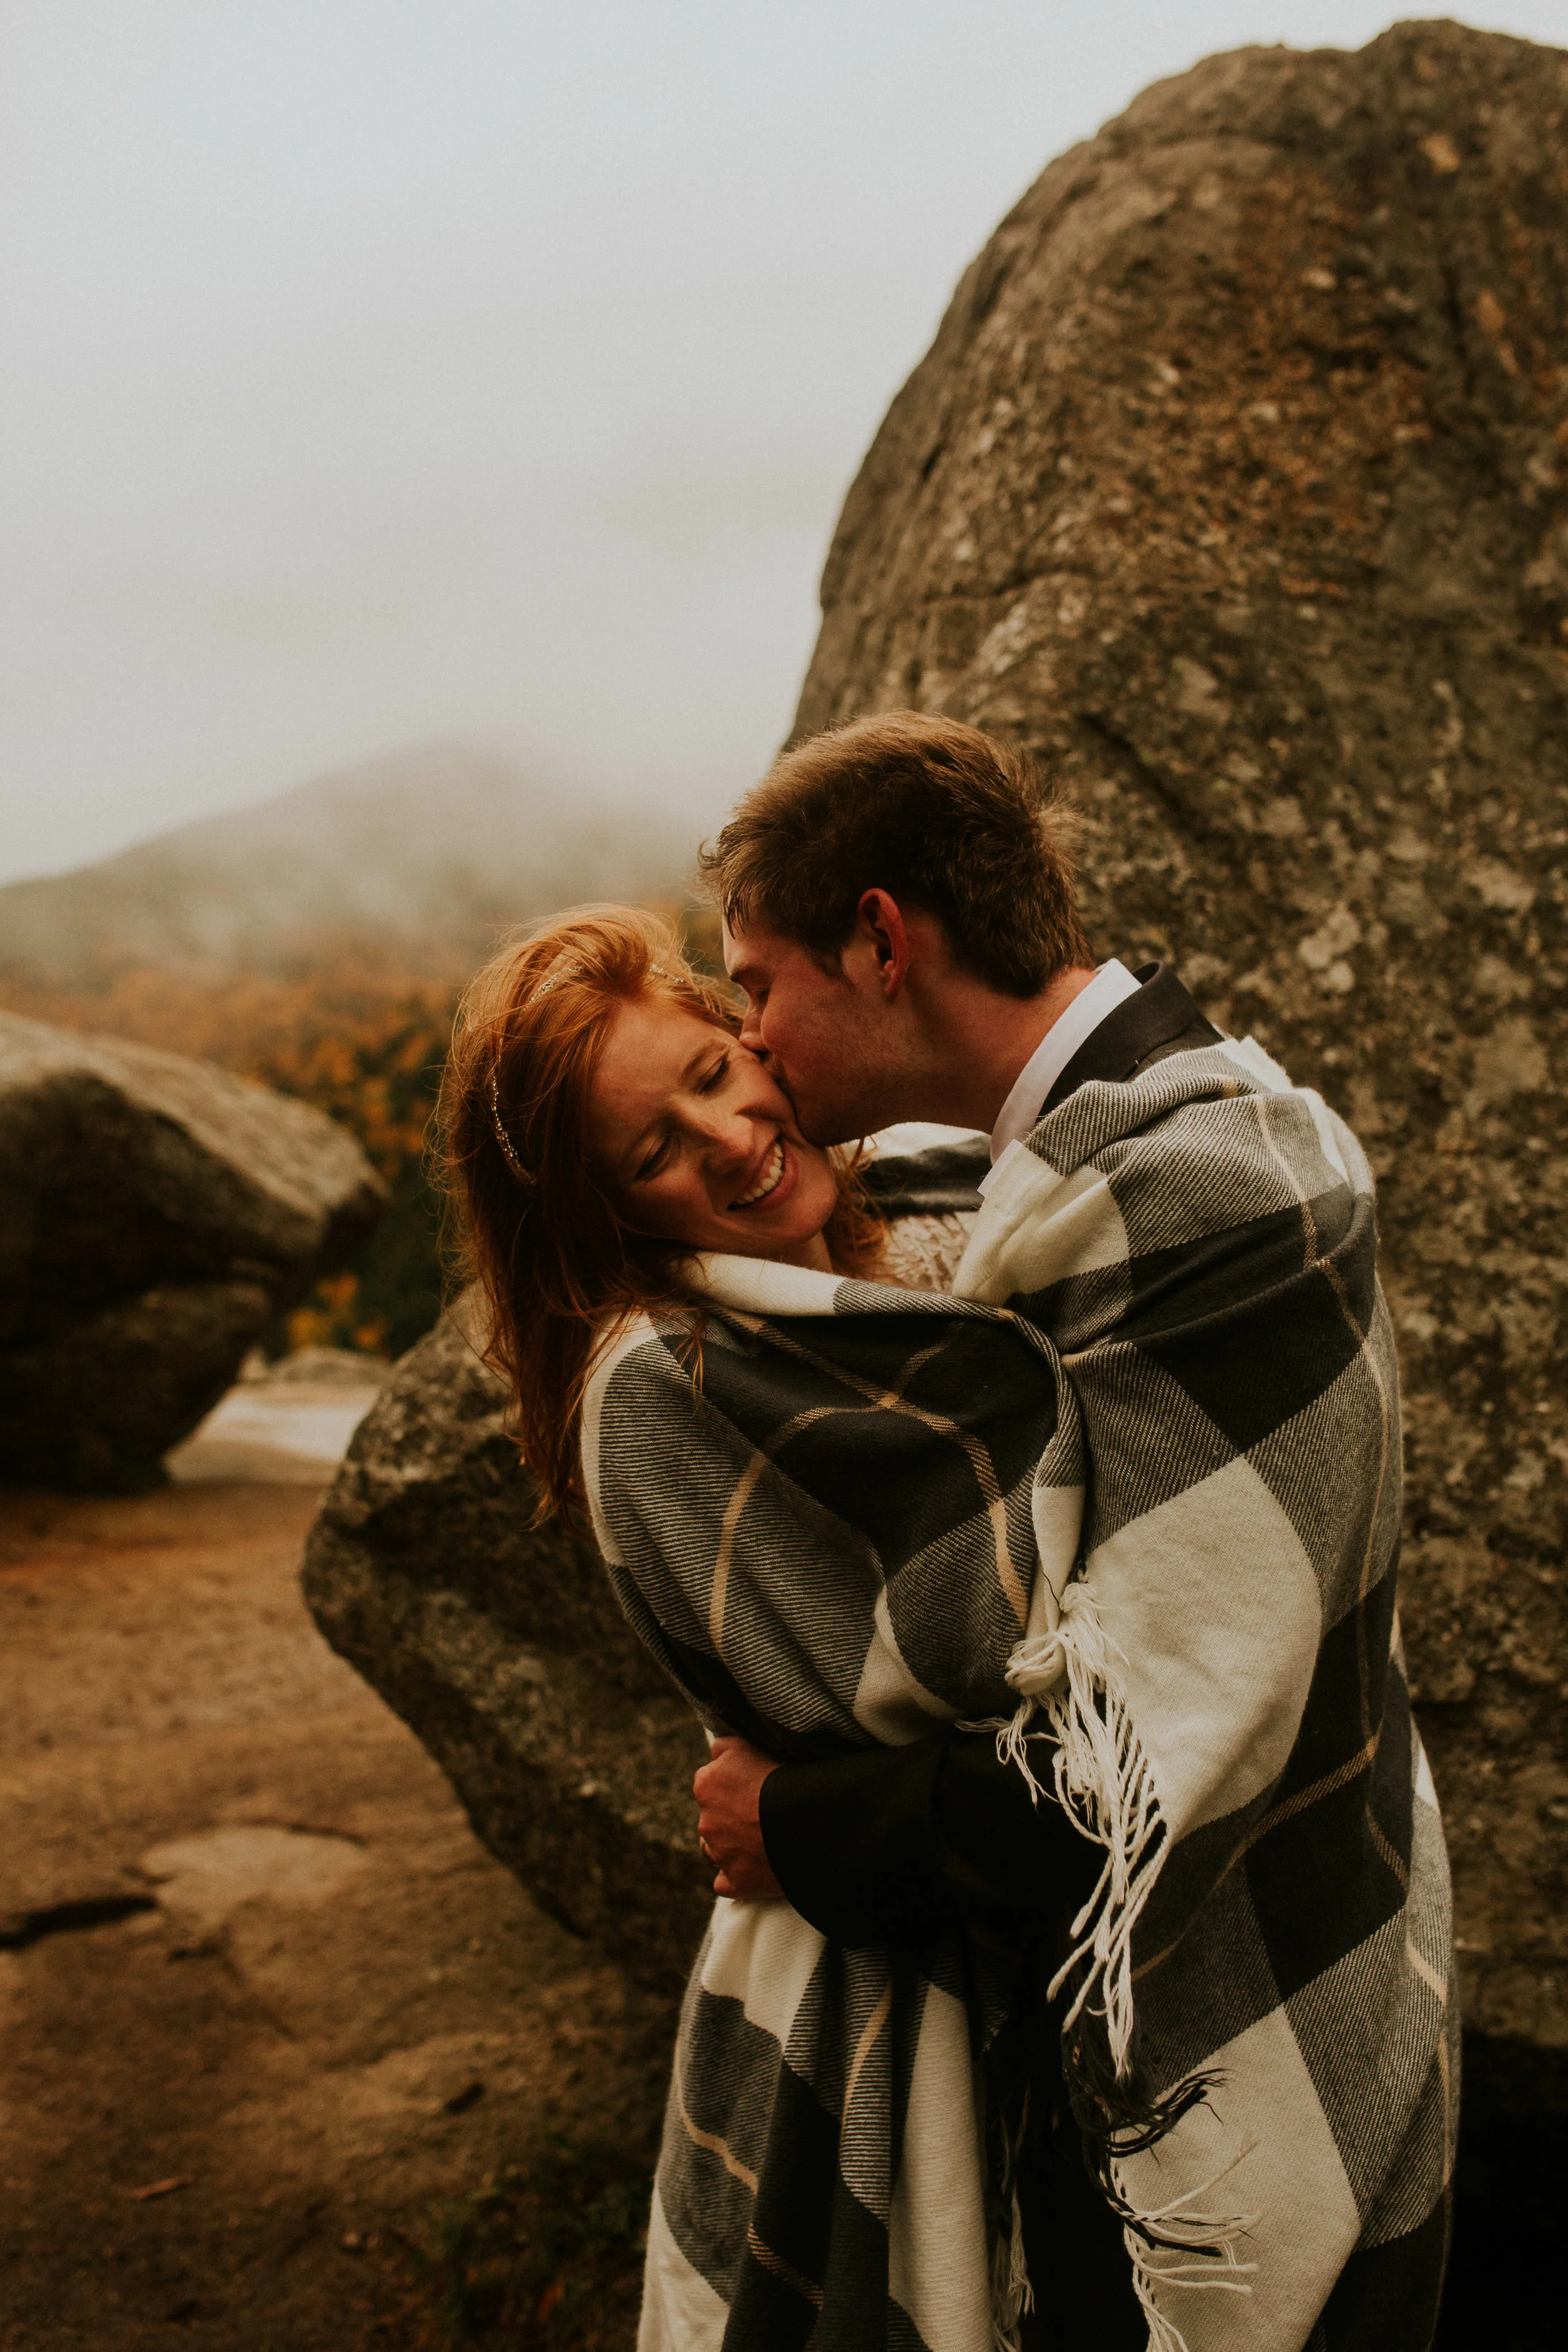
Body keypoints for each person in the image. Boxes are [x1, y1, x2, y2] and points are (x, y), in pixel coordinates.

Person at [692, 712, 1455, 2351]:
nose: (749, 1041)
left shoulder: (1208, 1182)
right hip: (1114, 2062)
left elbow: (1156, 1760)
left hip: (1272, 2027)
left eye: (755, 982)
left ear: (880, 939)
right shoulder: (1037, 1179)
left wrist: (807, 1824)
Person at [439, 905, 1102, 2352]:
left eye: (705, 1074)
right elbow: (1000, 1675)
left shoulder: (948, 1186)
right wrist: (809, 1818)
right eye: (652, 1155)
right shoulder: (660, 1391)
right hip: (909, 1958)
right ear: (608, 1217)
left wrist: (795, 1818)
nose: (729, 1140)